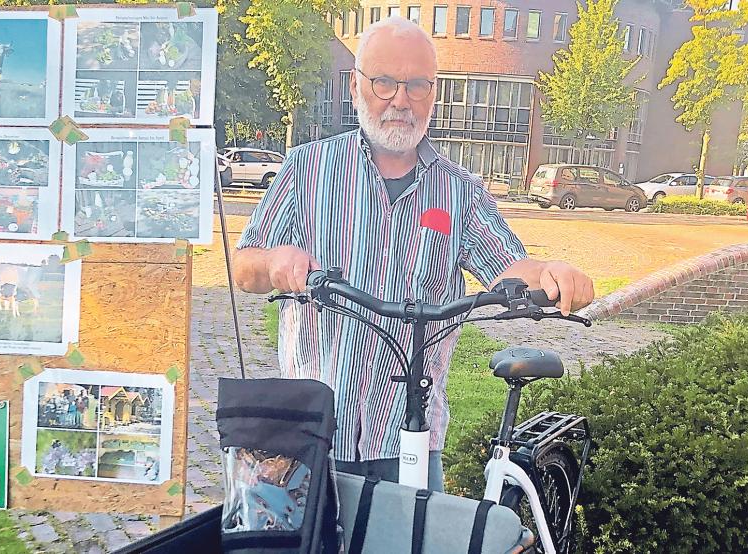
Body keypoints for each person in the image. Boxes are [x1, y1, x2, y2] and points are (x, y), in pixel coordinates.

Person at [232, 17, 594, 491]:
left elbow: (507, 267)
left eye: (417, 85)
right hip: (313, 433)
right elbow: (244, 267)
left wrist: (551, 271)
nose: (400, 99)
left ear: (433, 91)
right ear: (358, 85)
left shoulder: (459, 190)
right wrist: (275, 262)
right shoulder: (307, 169)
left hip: (408, 440)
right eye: (384, 82)